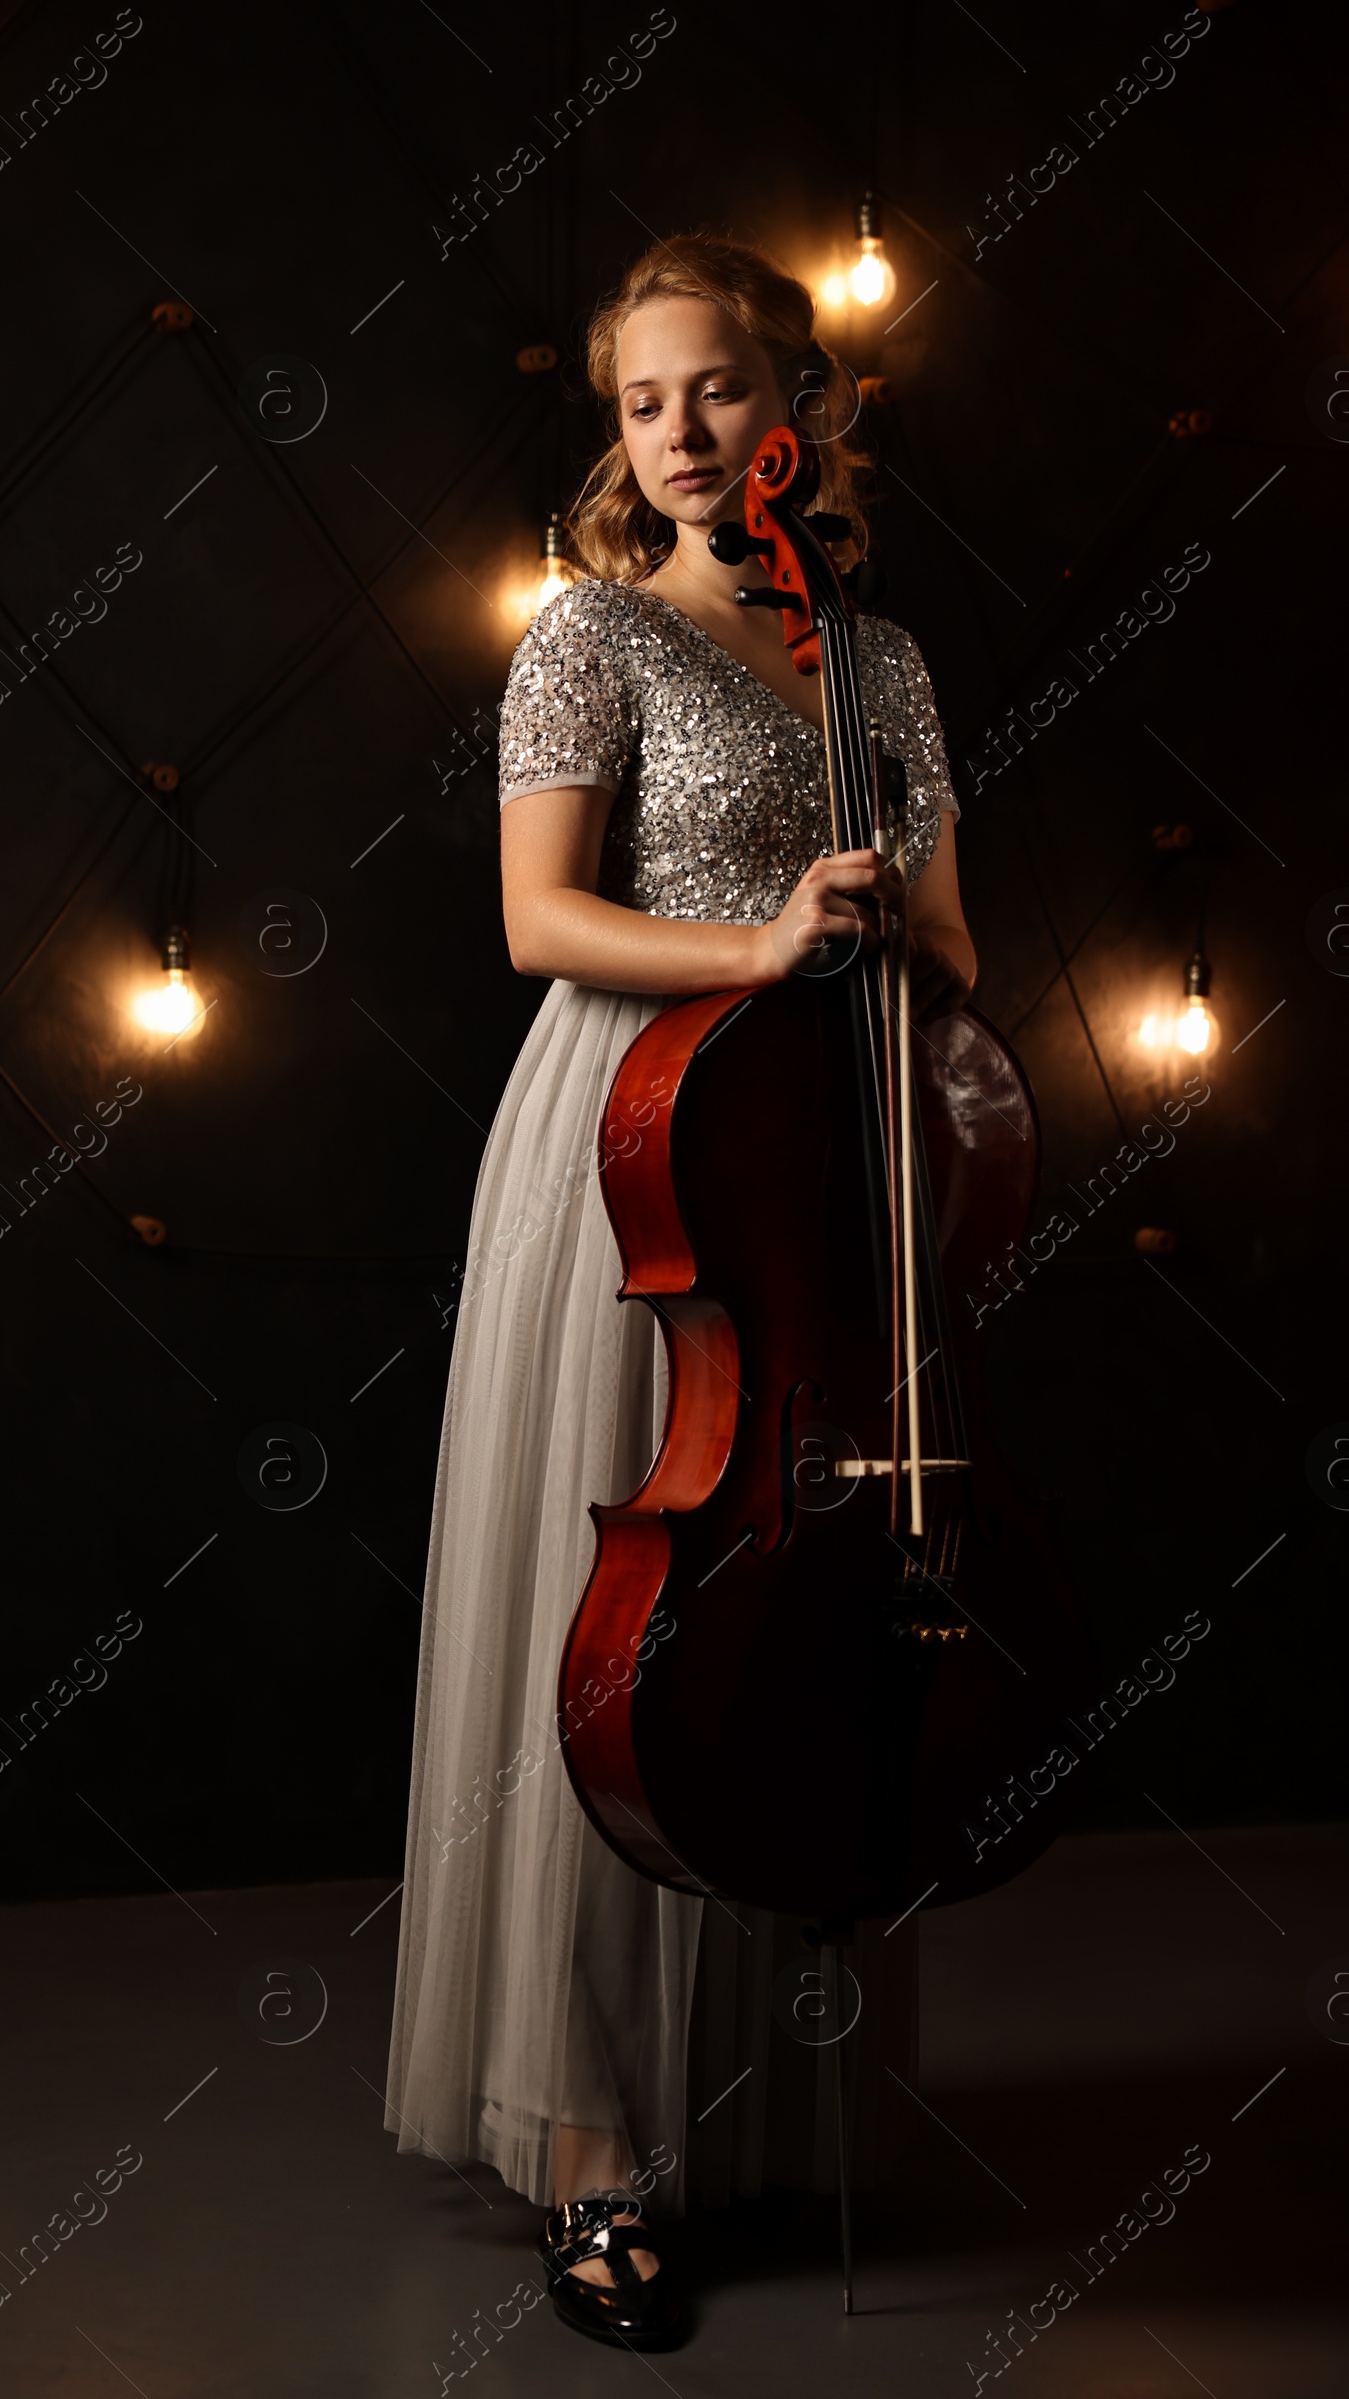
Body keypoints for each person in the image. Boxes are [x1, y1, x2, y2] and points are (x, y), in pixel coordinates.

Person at [384, 232, 975, 2349]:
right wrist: (753, 950)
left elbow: (959, 954)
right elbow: (545, 924)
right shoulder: (583, 637)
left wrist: (887, 922)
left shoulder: (879, 661)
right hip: (633, 1152)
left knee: (786, 1585)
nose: (681, 435)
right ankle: (584, 2141)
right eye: (642, 404)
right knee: (626, 1597)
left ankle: (752, 2101)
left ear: (789, 396)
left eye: (712, 389)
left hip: (824, 1170)